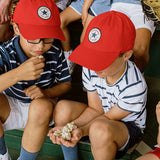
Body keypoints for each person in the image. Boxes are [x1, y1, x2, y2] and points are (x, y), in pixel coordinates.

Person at [48, 11, 147, 160]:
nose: (94, 65)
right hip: (101, 114)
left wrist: (79, 129)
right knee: (62, 109)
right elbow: (95, 108)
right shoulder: (92, 67)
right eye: (92, 56)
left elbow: (107, 118)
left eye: (102, 59)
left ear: (126, 55)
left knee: (99, 129)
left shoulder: (135, 86)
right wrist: (68, 129)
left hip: (126, 126)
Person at [0, 0, 72, 160]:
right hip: (11, 106)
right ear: (17, 29)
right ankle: (3, 156)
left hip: (43, 112)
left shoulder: (54, 51)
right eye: (33, 38)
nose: (40, 45)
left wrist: (46, 92)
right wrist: (18, 74)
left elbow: (66, 84)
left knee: (41, 106)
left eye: (47, 38)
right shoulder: (5, 52)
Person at [59, 0, 111, 73]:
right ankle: (68, 54)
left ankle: (92, 73)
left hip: (101, 3)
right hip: (84, 2)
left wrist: (85, 9)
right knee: (59, 22)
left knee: (85, 40)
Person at [110, 0, 155, 71]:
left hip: (144, 6)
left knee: (140, 50)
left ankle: (137, 75)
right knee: (110, 44)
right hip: (118, 3)